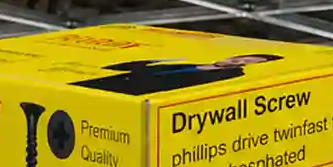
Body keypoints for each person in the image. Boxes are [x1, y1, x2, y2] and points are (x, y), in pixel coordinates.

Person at [68, 53, 282, 96]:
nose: (238, 61)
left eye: (245, 62)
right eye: (241, 57)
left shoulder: (227, 78)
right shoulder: (191, 62)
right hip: (102, 84)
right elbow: (116, 68)